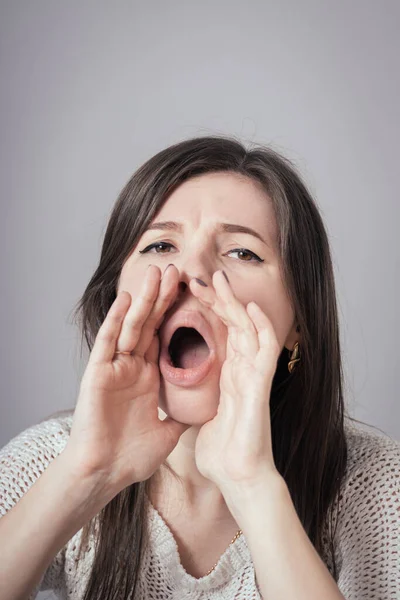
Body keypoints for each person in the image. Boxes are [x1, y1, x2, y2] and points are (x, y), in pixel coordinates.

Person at [0, 135, 399, 600]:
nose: (190, 271)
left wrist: (253, 486)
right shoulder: (50, 461)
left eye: (242, 252)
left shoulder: (379, 487)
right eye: (160, 245)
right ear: (115, 296)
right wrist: (86, 474)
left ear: (298, 326)